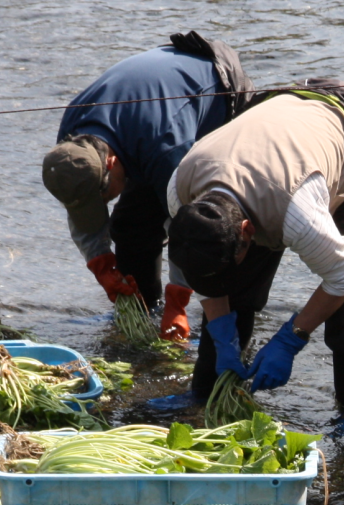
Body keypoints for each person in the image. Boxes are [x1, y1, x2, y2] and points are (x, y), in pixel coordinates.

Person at [158, 78, 344, 422]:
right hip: (273, 127)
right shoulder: (181, 191)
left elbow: (343, 277)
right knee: (227, 285)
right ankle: (207, 395)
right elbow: (205, 276)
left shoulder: (297, 214)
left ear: (247, 232)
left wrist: (291, 338)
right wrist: (222, 334)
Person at [42, 33, 251, 338]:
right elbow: (76, 196)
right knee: (130, 227)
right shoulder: (71, 142)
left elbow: (191, 229)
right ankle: (142, 314)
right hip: (144, 124)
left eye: (102, 197)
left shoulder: (166, 148)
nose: (101, 205)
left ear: (110, 164)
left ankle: (219, 329)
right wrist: (100, 262)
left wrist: (178, 298)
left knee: (219, 232)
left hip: (221, 90)